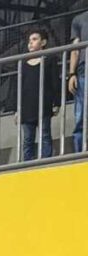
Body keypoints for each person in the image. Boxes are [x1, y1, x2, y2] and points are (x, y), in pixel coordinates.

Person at [7, 27, 60, 161]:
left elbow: (55, 82)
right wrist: (16, 110)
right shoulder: (22, 64)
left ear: (43, 43)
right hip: (26, 108)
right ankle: (28, 164)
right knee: (28, 139)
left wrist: (57, 102)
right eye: (29, 40)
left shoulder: (49, 60)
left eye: (35, 39)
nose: (30, 43)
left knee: (45, 135)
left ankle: (46, 161)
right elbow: (16, 88)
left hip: (44, 105)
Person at [68, 8, 88, 152]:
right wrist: (71, 74)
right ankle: (79, 153)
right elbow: (75, 48)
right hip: (83, 71)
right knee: (81, 115)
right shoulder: (79, 19)